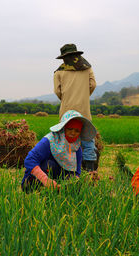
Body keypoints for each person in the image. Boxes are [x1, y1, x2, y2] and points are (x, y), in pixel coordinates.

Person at [21, 110, 96, 193]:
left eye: (77, 131)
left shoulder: (76, 146)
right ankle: (39, 191)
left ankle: (59, 192)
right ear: (63, 128)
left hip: (59, 179)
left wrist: (75, 182)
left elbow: (76, 172)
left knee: (77, 186)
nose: (73, 133)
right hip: (37, 180)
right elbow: (29, 160)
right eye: (70, 129)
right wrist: (46, 181)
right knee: (50, 165)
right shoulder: (50, 140)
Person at [53, 43, 98, 175]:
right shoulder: (87, 69)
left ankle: (68, 171)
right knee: (88, 140)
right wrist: (84, 96)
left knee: (66, 140)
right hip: (84, 110)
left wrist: (66, 99)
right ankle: (90, 170)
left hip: (66, 111)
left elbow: (57, 91)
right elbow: (93, 84)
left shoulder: (59, 72)